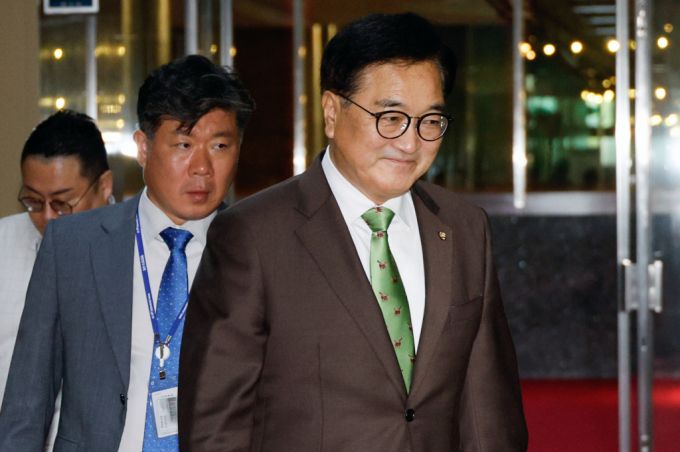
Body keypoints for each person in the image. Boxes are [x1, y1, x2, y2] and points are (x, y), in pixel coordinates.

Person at [179, 12, 527, 452]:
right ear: (331, 111)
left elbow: (487, 408)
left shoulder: (464, 228)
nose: (410, 143)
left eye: (429, 121)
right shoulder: (254, 235)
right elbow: (215, 427)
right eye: (390, 117)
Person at [0, 54, 255, 452]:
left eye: (220, 146)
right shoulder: (73, 245)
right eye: (184, 144)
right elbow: (26, 405)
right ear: (143, 147)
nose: (202, 167)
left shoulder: (256, 251)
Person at [0, 110, 113, 451]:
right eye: (34, 201)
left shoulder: (137, 249)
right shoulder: (3, 245)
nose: (48, 217)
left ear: (104, 186)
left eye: (62, 203)